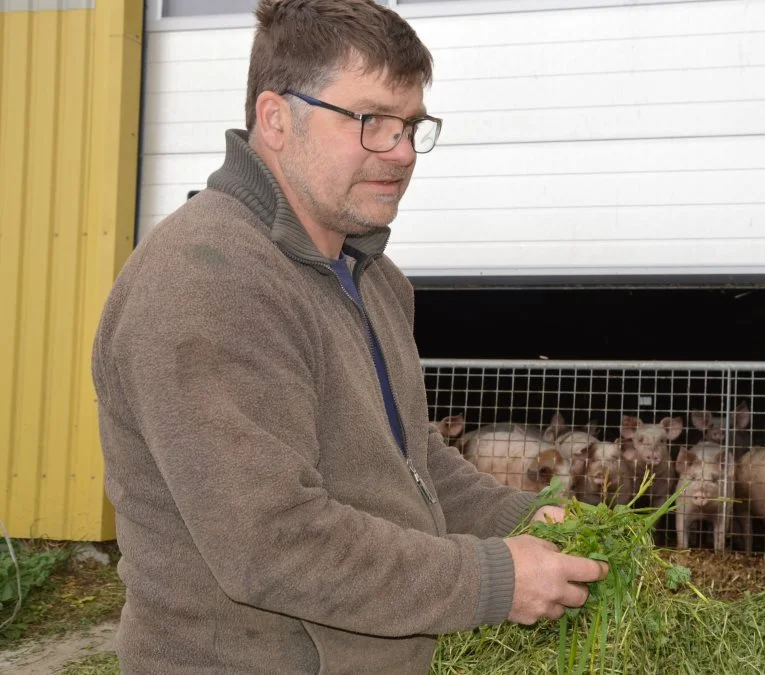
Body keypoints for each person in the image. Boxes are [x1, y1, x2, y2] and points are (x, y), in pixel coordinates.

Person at [89, 1, 606, 672]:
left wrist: (522, 518)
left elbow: (408, 462)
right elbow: (271, 543)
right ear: (276, 118)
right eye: (370, 122)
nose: (400, 152)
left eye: (412, 125)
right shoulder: (207, 282)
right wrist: (493, 578)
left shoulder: (372, 276)